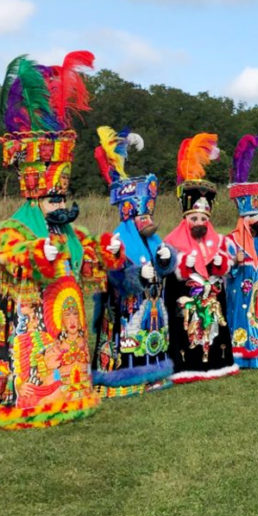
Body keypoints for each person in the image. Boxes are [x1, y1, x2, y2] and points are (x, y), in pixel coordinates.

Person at [0, 51, 122, 429]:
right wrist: (36, 252)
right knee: (38, 365)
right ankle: (36, 400)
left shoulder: (70, 232)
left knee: (68, 357)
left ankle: (73, 395)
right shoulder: (15, 227)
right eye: (53, 199)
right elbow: (8, 256)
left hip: (67, 314)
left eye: (62, 197)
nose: (60, 204)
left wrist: (110, 251)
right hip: (33, 317)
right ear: (35, 198)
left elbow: (92, 261)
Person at [92, 126, 176, 397]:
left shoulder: (152, 238)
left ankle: (155, 373)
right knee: (130, 340)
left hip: (152, 309)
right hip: (127, 313)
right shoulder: (118, 240)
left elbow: (166, 268)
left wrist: (167, 259)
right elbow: (114, 281)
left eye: (149, 214)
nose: (147, 221)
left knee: (151, 337)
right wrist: (137, 274)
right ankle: (126, 379)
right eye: (142, 216)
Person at [164, 133, 240, 383]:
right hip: (186, 304)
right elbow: (168, 273)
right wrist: (180, 266)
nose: (199, 223)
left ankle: (217, 364)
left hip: (211, 302)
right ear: (186, 219)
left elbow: (225, 267)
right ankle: (187, 367)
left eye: (203, 219)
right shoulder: (171, 241)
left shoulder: (218, 240)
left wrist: (221, 264)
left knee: (214, 330)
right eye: (194, 218)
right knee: (188, 330)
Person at [226, 134, 258, 370]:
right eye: (253, 217)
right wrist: (234, 263)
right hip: (243, 292)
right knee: (243, 320)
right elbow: (224, 269)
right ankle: (242, 355)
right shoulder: (233, 239)